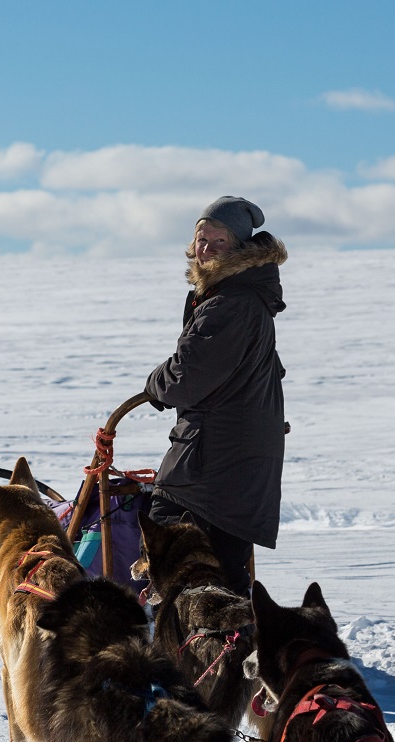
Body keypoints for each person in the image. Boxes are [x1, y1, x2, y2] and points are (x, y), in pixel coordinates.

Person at [144, 195, 287, 596]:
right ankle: (237, 651)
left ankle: (208, 650)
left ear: (238, 249)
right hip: (229, 462)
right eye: (201, 238)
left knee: (176, 558)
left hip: (213, 468)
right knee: (219, 568)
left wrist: (154, 383)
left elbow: (186, 378)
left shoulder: (230, 304)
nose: (205, 248)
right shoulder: (234, 297)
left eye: (218, 241)